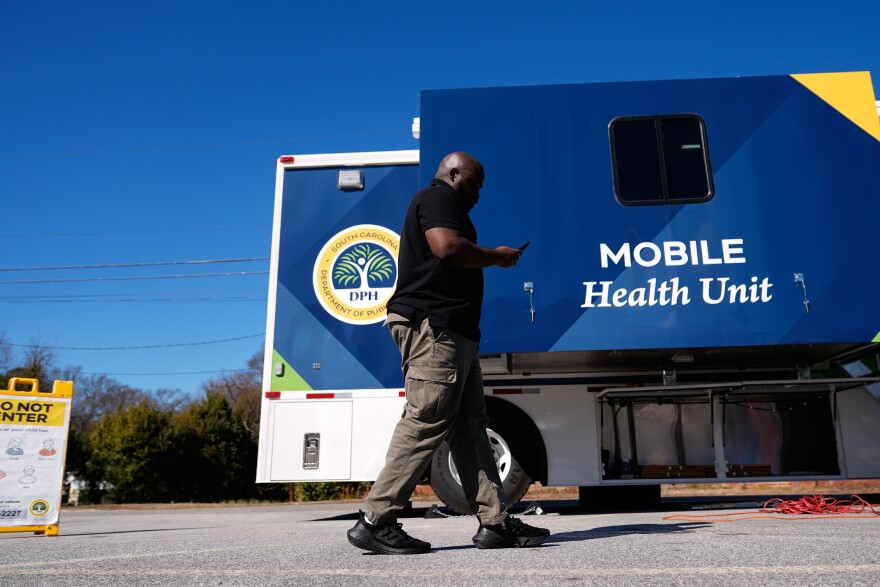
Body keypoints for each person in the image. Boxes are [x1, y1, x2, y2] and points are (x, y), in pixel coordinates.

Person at [347, 152, 550, 554]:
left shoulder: (448, 203)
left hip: (454, 334)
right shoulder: (438, 197)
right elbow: (447, 248)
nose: (477, 194)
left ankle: (495, 521)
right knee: (426, 419)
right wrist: (498, 257)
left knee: (470, 427)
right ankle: (376, 519)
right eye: (474, 183)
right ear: (453, 174)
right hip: (435, 330)